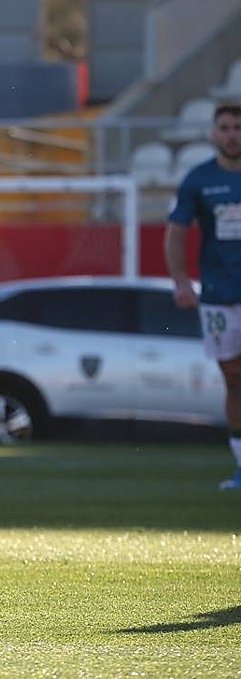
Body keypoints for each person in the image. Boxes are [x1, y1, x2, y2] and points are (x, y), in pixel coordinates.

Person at [164, 102, 241, 491]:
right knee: (233, 378)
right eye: (225, 127)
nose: (231, 134)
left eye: (237, 128)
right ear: (214, 134)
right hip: (218, 296)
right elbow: (176, 232)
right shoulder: (198, 180)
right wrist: (180, 281)